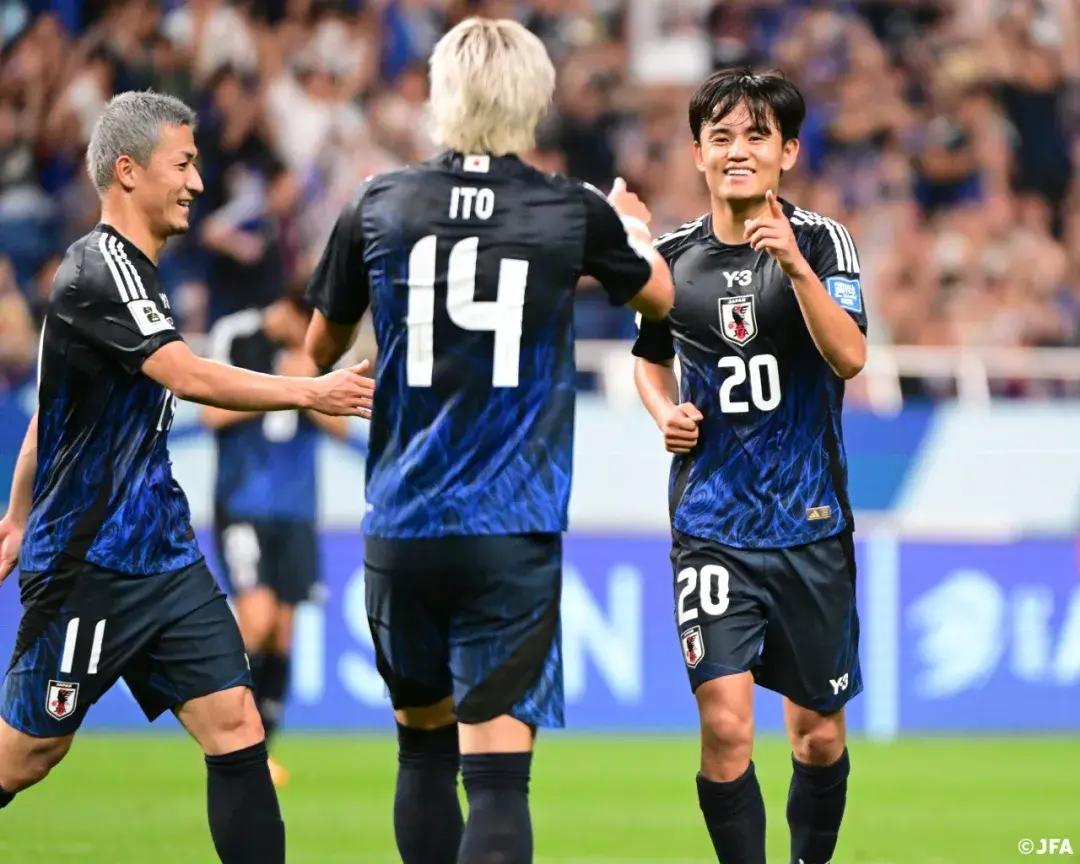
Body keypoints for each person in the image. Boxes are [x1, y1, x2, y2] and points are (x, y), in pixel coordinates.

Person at [304, 17, 673, 864]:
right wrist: (629, 228)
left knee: (422, 754)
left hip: (403, 522)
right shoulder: (571, 208)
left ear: (442, 97)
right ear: (533, 101)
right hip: (510, 528)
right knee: (500, 782)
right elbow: (658, 297)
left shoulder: (379, 201)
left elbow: (320, 351)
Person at [0, 91, 373, 864]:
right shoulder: (98, 269)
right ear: (128, 171)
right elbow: (187, 374)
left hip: (163, 555)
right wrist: (309, 390)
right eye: (184, 164)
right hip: (89, 565)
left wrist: (15, 514)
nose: (198, 183)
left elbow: (53, 414)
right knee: (27, 755)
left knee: (236, 721)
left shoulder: (138, 275)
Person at [633, 69, 867, 864]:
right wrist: (664, 412)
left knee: (818, 737)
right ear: (698, 152)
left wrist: (795, 267)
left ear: (788, 152)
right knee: (727, 726)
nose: (738, 150)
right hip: (711, 526)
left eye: (757, 135)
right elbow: (649, 358)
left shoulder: (824, 241)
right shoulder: (671, 258)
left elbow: (851, 358)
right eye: (722, 136)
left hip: (809, 526)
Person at [203, 294, 348, 786]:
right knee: (257, 619)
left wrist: (309, 385)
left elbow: (341, 426)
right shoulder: (239, 336)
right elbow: (211, 415)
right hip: (243, 505)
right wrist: (280, 385)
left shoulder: (321, 351)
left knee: (283, 631)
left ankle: (261, 749)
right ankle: (223, 731)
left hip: (298, 512)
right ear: (285, 310)